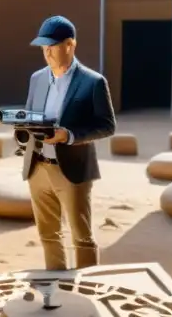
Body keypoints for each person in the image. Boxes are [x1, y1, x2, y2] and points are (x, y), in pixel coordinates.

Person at [16, 16, 116, 271]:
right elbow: (30, 115)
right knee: (48, 234)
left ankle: (88, 291)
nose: (46, 52)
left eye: (52, 45)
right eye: (42, 46)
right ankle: (55, 286)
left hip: (72, 171)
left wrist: (68, 135)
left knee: (81, 238)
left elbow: (107, 126)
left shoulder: (93, 82)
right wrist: (23, 132)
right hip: (37, 168)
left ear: (70, 45)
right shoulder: (36, 78)